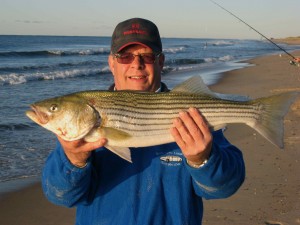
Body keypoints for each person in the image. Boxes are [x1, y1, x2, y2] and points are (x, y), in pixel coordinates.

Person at [42, 18, 245, 225]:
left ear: (161, 62)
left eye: (146, 56)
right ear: (111, 63)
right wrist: (75, 160)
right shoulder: (79, 137)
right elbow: (61, 195)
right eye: (125, 56)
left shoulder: (191, 114)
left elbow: (225, 186)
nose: (136, 65)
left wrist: (202, 159)